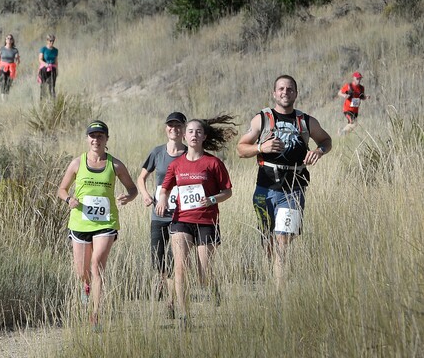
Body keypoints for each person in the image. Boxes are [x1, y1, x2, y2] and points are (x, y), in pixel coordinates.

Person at [236, 74, 332, 286]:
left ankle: (280, 293)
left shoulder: (306, 121)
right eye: (281, 89)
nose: (285, 92)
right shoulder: (262, 118)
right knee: (267, 238)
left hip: (294, 188)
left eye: (289, 89)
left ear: (296, 94)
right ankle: (272, 273)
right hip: (265, 188)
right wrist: (261, 147)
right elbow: (241, 149)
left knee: (283, 239)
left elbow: (326, 140)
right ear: (274, 93)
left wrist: (319, 151)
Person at [156, 116, 236, 327]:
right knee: (181, 267)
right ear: (184, 135)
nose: (194, 135)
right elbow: (165, 187)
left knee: (204, 273)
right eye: (190, 131)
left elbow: (227, 191)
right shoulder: (176, 164)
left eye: (198, 132)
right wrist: (163, 198)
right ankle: (184, 315)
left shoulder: (213, 163)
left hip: (207, 220)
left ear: (204, 136)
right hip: (181, 220)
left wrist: (212, 199)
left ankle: (214, 286)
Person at [57, 120, 138, 329]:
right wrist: (69, 200)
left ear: (107, 139)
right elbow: (61, 189)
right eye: (92, 136)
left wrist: (128, 198)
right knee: (82, 271)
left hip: (106, 223)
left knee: (97, 266)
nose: (96, 140)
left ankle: (95, 315)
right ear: (87, 139)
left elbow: (133, 189)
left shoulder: (115, 164)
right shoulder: (77, 163)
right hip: (80, 223)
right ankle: (86, 286)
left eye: (100, 136)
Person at [136, 112, 188, 318]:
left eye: (178, 126)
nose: (173, 129)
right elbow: (141, 177)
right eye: (170, 125)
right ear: (166, 128)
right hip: (158, 215)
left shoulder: (189, 153)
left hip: (181, 216)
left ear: (183, 129)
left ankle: (171, 302)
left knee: (175, 259)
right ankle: (165, 284)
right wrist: (145, 195)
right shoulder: (157, 152)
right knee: (158, 261)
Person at [338, 71, 370, 135]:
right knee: (353, 123)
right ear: (354, 78)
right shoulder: (349, 86)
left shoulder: (361, 88)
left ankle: (343, 134)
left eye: (360, 78)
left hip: (355, 110)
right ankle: (341, 133)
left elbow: (361, 97)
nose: (359, 80)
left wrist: (366, 97)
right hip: (347, 109)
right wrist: (344, 95)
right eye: (357, 78)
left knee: (352, 125)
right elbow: (339, 93)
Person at [0, 34, 20, 99]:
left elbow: (17, 61)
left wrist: (17, 59)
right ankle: (2, 97)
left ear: (12, 41)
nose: (9, 40)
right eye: (8, 38)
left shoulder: (15, 50)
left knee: (8, 82)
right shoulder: (1, 49)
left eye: (10, 38)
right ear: (5, 40)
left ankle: (6, 97)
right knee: (3, 79)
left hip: (11, 67)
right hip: (2, 66)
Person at [38, 34, 58, 100]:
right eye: (50, 40)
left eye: (53, 41)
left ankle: (53, 102)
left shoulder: (55, 50)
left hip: (52, 69)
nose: (52, 42)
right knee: (43, 86)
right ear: (47, 40)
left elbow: (56, 61)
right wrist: (45, 64)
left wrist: (57, 70)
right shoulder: (43, 49)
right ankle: (42, 103)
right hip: (44, 69)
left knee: (52, 87)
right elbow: (40, 59)